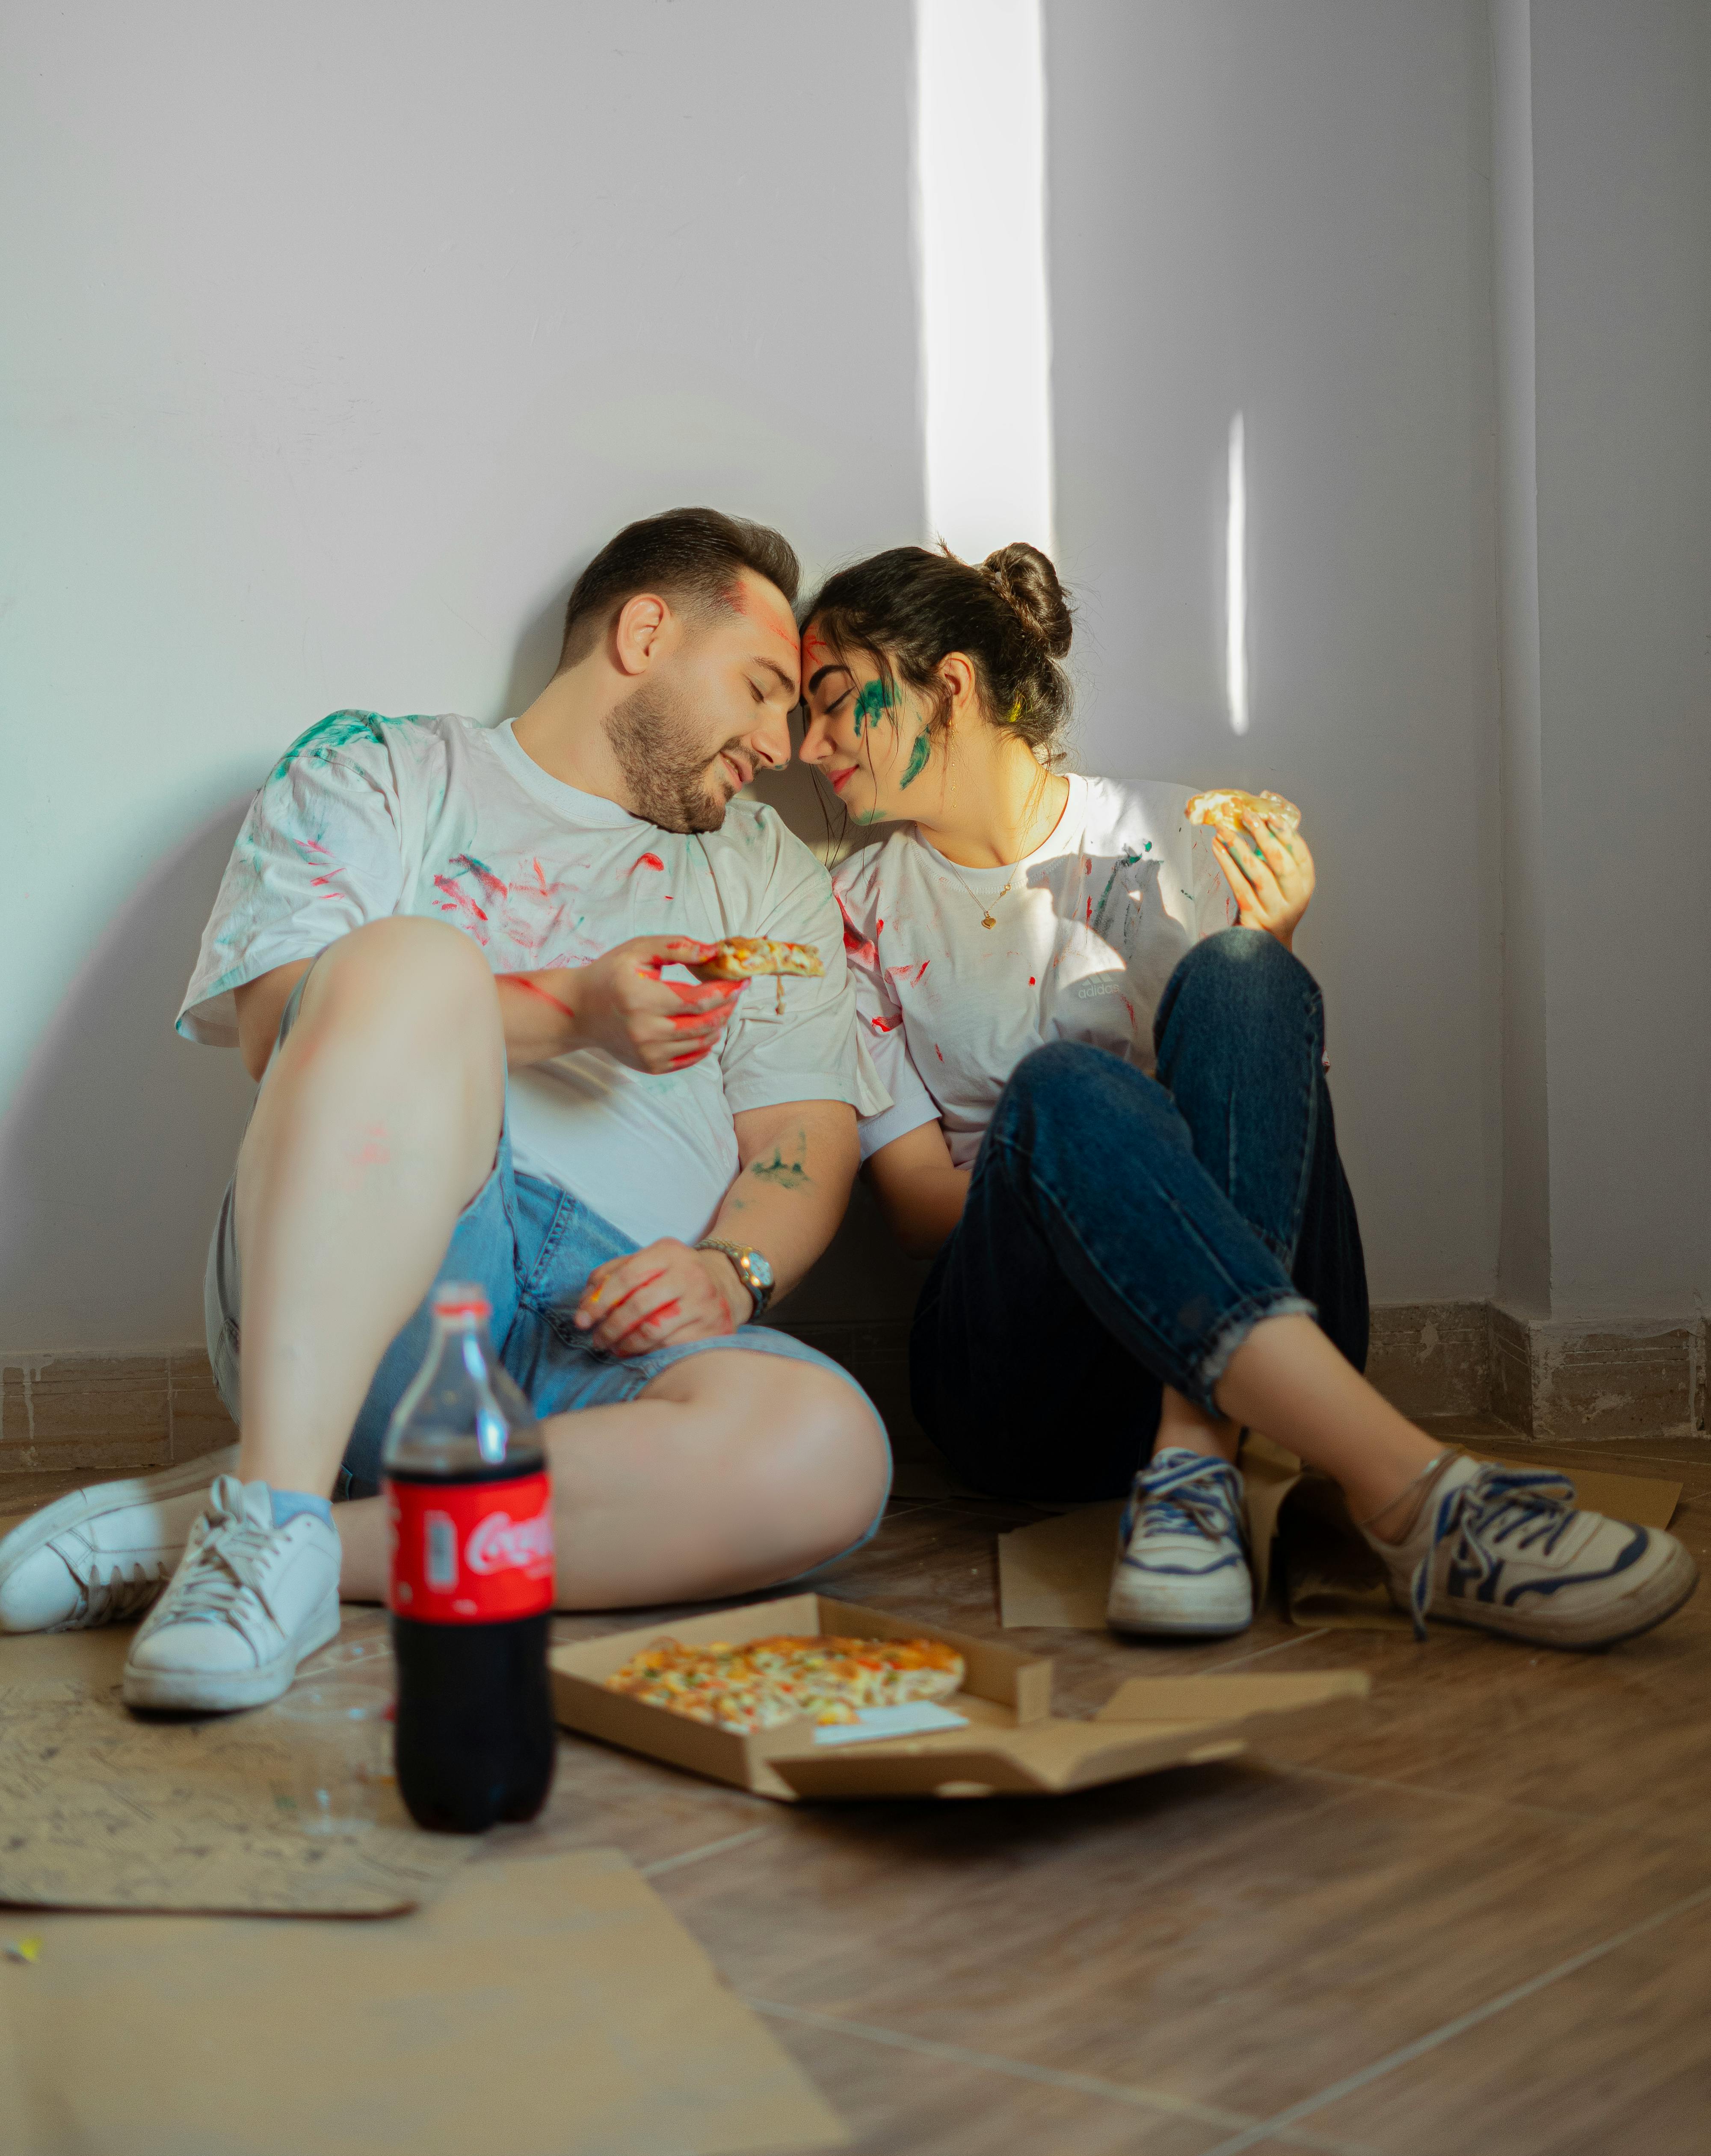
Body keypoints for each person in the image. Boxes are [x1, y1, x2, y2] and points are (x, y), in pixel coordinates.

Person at [0, 507, 893, 1711]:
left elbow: (800, 1135)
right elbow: (277, 1022)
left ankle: (257, 1535)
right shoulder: (382, 769)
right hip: (387, 1292)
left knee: (830, 1450)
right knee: (409, 964)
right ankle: (280, 1495)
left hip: (612, 1334)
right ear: (643, 633)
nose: (783, 742)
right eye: (762, 688)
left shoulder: (768, 867)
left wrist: (731, 1274)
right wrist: (575, 1009)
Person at [798, 541, 1696, 1649]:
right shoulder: (851, 909)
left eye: (835, 701)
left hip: (1267, 1327)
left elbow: (1267, 1139)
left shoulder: (1182, 833)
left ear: (952, 684)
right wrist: (1070, 1138)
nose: (808, 744)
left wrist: (1267, 941)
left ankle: (1195, 1461)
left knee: (1246, 973)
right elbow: (924, 1208)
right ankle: (1416, 1497)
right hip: (1027, 1386)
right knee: (1065, 1088)